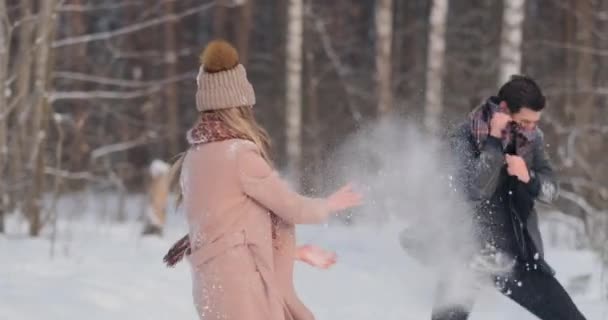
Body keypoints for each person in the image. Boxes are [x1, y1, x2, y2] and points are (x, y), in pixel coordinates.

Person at [163, 40, 362, 320]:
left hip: (211, 288)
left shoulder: (192, 159)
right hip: (244, 290)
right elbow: (290, 207)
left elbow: (225, 230)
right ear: (240, 103)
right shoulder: (239, 155)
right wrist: (329, 204)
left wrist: (296, 252)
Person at [431, 76, 587, 320]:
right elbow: (474, 191)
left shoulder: (532, 139)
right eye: (525, 122)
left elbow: (551, 191)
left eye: (535, 123)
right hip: (467, 254)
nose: (531, 129)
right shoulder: (463, 138)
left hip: (517, 255)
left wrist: (529, 177)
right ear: (504, 110)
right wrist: (493, 142)